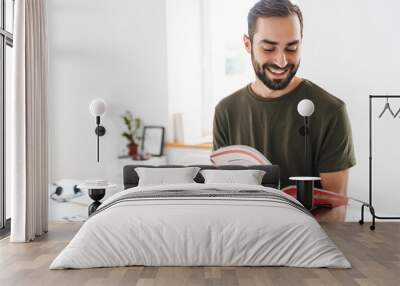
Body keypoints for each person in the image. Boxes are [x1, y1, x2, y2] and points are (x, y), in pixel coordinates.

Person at [212, 0, 356, 222]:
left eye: (292, 48)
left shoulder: (331, 111)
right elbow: (223, 197)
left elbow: (336, 211)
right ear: (248, 44)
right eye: (269, 48)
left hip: (305, 248)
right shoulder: (226, 111)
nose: (281, 61)